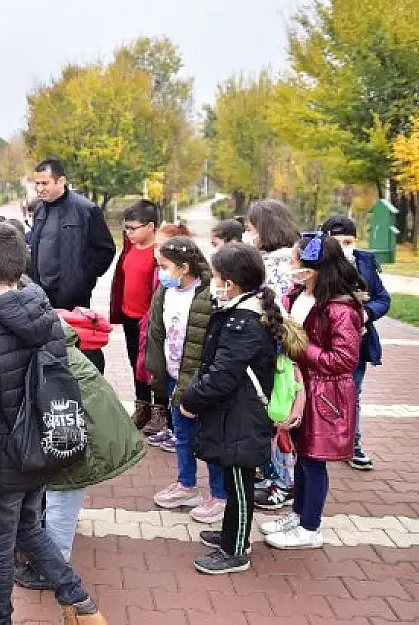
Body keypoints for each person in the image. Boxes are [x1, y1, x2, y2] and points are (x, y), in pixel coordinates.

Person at [0, 223, 103, 625]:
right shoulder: (43, 312)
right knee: (29, 528)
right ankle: (81, 606)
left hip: (2, 463)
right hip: (41, 448)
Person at [13, 313, 147, 591]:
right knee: (61, 491)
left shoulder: (40, 349)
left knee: (64, 489)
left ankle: (53, 568)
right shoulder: (49, 337)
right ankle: (51, 550)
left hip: (77, 426)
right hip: (79, 420)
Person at [180, 242, 281, 574]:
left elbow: (222, 374)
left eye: (217, 277)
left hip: (243, 414)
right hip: (234, 411)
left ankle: (237, 549)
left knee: (239, 483)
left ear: (231, 283)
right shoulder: (240, 311)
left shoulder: (244, 321)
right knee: (232, 475)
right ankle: (230, 533)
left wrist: (191, 400)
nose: (214, 283)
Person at [264, 233, 364, 550]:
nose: (291, 267)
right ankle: (299, 514)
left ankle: (311, 527)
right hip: (301, 387)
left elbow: (344, 359)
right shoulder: (300, 295)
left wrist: (302, 348)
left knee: (313, 460)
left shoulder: (340, 308)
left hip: (324, 394)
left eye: (296, 262)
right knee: (300, 455)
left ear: (314, 268)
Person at [146, 236, 229, 524]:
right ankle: (186, 485)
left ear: (183, 267)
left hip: (199, 379)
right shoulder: (165, 291)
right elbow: (157, 330)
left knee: (209, 438)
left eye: (164, 266)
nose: (161, 271)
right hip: (172, 374)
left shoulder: (209, 294)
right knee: (182, 435)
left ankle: (219, 495)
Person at [243, 199, 301, 511]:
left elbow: (278, 307)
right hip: (269, 346)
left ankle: (282, 482)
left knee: (277, 415)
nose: (246, 234)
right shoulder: (271, 258)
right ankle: (273, 476)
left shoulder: (279, 263)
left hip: (276, 349)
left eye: (250, 228)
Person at [320, 216, 390, 470]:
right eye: (337, 242)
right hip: (323, 343)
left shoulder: (365, 262)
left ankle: (352, 444)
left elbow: (382, 298)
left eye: (348, 241)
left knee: (353, 393)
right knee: (318, 393)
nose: (344, 247)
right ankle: (315, 442)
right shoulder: (316, 263)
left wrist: (365, 313)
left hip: (357, 343)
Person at [28, 157, 117, 310]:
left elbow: (106, 250)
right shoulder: (39, 210)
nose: (40, 189)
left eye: (45, 183)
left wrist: (82, 280)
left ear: (61, 181)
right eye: (37, 183)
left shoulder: (87, 210)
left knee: (71, 335)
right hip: (42, 297)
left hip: (73, 300)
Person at [110, 200, 162, 430]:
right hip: (130, 317)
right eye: (126, 229)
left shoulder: (160, 253)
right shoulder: (129, 248)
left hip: (151, 320)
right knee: (135, 363)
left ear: (150, 226)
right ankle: (142, 407)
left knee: (154, 366)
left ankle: (161, 411)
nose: (129, 233)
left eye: (134, 228)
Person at [140, 222, 192, 443]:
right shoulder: (164, 282)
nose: (156, 251)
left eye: (162, 245)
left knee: (181, 401)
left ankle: (180, 434)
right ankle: (172, 429)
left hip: (182, 358)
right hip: (166, 352)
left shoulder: (189, 290)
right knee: (169, 394)